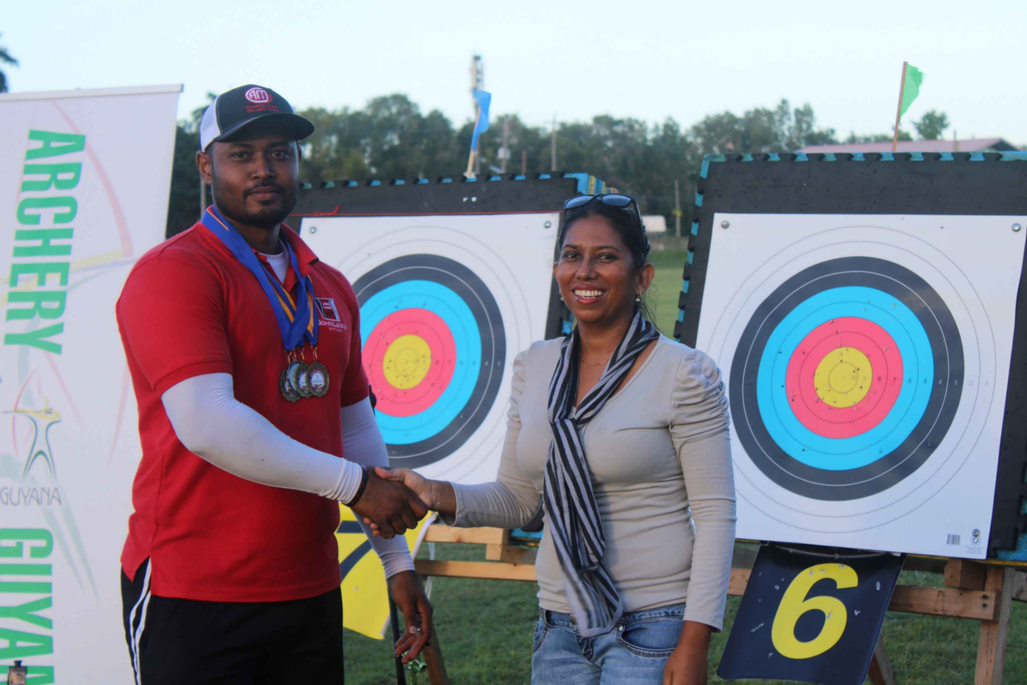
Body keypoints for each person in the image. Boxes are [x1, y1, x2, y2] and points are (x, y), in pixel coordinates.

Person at [116, 83, 431, 684]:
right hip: (195, 589)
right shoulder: (176, 273)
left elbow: (354, 423)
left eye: (280, 153)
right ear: (207, 166)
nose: (265, 169)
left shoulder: (328, 284)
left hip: (308, 584)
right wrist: (354, 487)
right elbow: (208, 424)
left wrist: (395, 562)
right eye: (242, 154)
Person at [376, 193, 736, 684]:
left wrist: (695, 641)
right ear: (558, 269)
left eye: (605, 257)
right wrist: (436, 492)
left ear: (642, 277)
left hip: (653, 625)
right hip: (558, 627)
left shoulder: (684, 373)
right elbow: (520, 501)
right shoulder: (536, 365)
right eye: (572, 256)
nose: (584, 271)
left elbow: (716, 515)